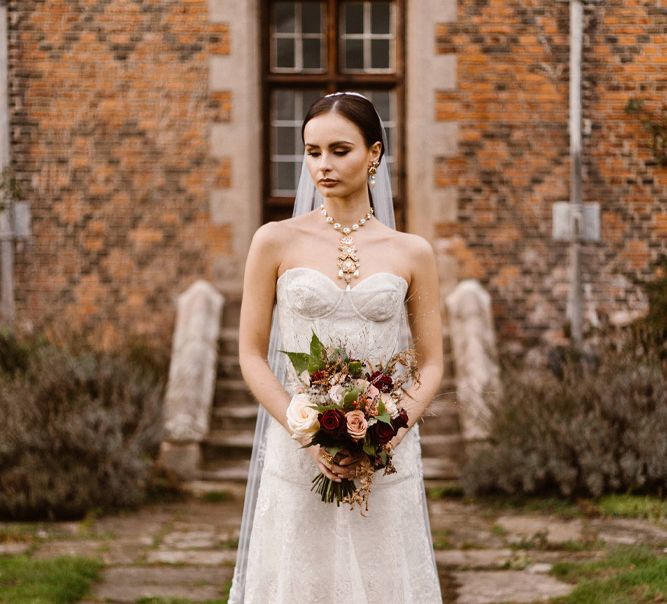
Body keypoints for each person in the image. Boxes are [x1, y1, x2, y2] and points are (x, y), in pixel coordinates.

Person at [228, 91, 444, 603]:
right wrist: (306, 430)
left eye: (339, 150)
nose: (322, 165)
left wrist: (385, 434)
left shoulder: (413, 252)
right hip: (298, 452)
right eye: (312, 151)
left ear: (374, 153)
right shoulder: (274, 241)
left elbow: (432, 365)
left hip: (384, 457)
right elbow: (251, 354)